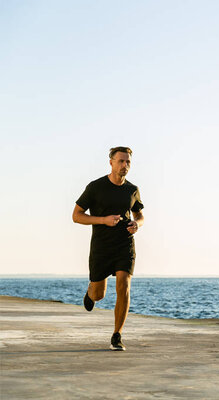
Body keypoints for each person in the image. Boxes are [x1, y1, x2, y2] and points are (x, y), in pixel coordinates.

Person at [72, 146, 145, 351]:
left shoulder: (132, 189)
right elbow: (76, 215)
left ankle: (117, 335)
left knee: (124, 284)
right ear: (111, 162)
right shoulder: (96, 187)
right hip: (102, 247)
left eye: (128, 162)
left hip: (124, 245)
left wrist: (137, 224)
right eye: (121, 161)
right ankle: (90, 292)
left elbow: (139, 214)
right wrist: (103, 220)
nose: (125, 165)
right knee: (99, 294)